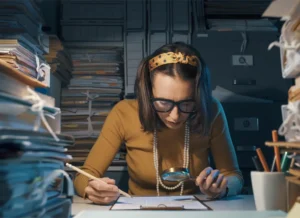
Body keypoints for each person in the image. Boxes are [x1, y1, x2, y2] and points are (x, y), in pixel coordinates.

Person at [74, 42, 243, 205]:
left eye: (187, 103)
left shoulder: (211, 110)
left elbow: (234, 176)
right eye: (163, 103)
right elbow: (84, 175)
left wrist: (223, 187)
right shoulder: (124, 112)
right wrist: (91, 188)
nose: (175, 116)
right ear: (147, 92)